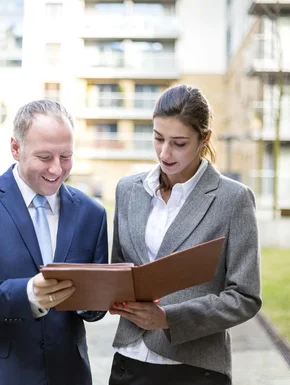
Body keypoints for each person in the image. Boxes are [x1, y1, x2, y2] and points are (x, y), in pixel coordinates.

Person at [0, 100, 109, 385]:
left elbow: (93, 307)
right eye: (45, 157)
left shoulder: (92, 213)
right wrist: (29, 293)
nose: (57, 169)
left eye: (66, 156)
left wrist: (103, 299)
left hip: (66, 374)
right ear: (15, 148)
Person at [108, 85, 262, 385]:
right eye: (158, 138)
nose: (165, 153)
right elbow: (119, 269)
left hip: (194, 369)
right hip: (129, 361)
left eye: (178, 143)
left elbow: (245, 297)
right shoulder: (127, 191)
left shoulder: (233, 200)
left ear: (204, 140)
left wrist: (168, 318)